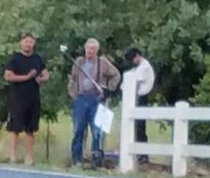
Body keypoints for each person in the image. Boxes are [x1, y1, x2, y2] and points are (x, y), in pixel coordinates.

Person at [67, 39, 121, 168]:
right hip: (80, 98)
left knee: (97, 130)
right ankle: (76, 158)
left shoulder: (102, 62)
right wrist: (73, 94)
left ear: (96, 50)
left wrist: (108, 89)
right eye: (88, 48)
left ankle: (96, 159)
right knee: (78, 129)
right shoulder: (78, 62)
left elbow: (116, 75)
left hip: (96, 99)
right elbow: (72, 79)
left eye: (93, 49)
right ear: (85, 49)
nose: (90, 51)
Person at [3, 32, 49, 165]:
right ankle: (12, 156)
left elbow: (45, 74)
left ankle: (29, 157)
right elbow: (8, 76)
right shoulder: (15, 59)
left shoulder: (38, 59)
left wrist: (41, 79)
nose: (28, 44)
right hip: (17, 98)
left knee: (30, 129)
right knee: (14, 128)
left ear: (34, 43)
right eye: (25, 41)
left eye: (30, 41)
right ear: (21, 43)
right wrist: (27, 77)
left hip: (33, 98)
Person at [124, 47, 156, 165]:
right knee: (136, 127)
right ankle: (138, 153)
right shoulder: (138, 67)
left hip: (141, 97)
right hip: (137, 97)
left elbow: (134, 80)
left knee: (140, 127)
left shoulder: (144, 67)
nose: (132, 62)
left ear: (138, 55)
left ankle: (143, 154)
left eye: (133, 59)